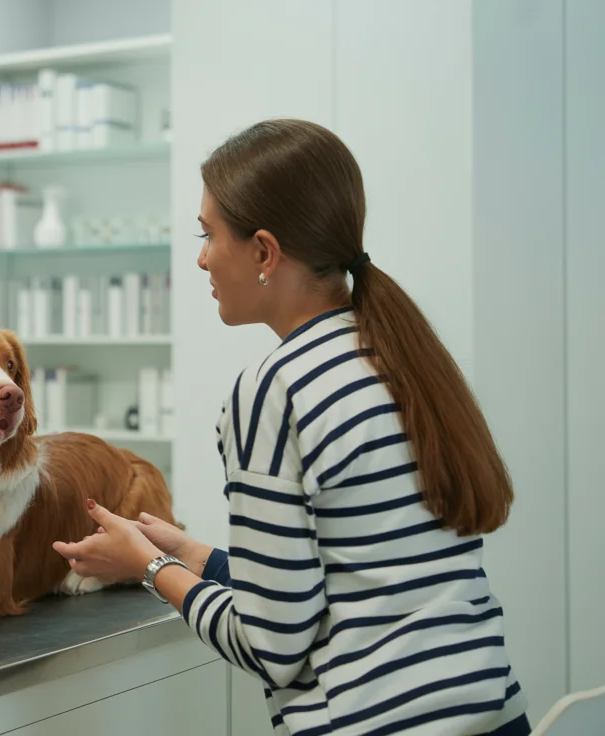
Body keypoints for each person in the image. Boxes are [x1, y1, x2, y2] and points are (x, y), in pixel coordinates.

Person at [53, 119, 530, 735]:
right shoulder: (398, 354)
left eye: (209, 235)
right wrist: (189, 553)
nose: (199, 258)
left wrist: (146, 567)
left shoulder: (273, 390)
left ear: (264, 252)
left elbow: (270, 647)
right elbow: (352, 574)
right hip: (494, 715)